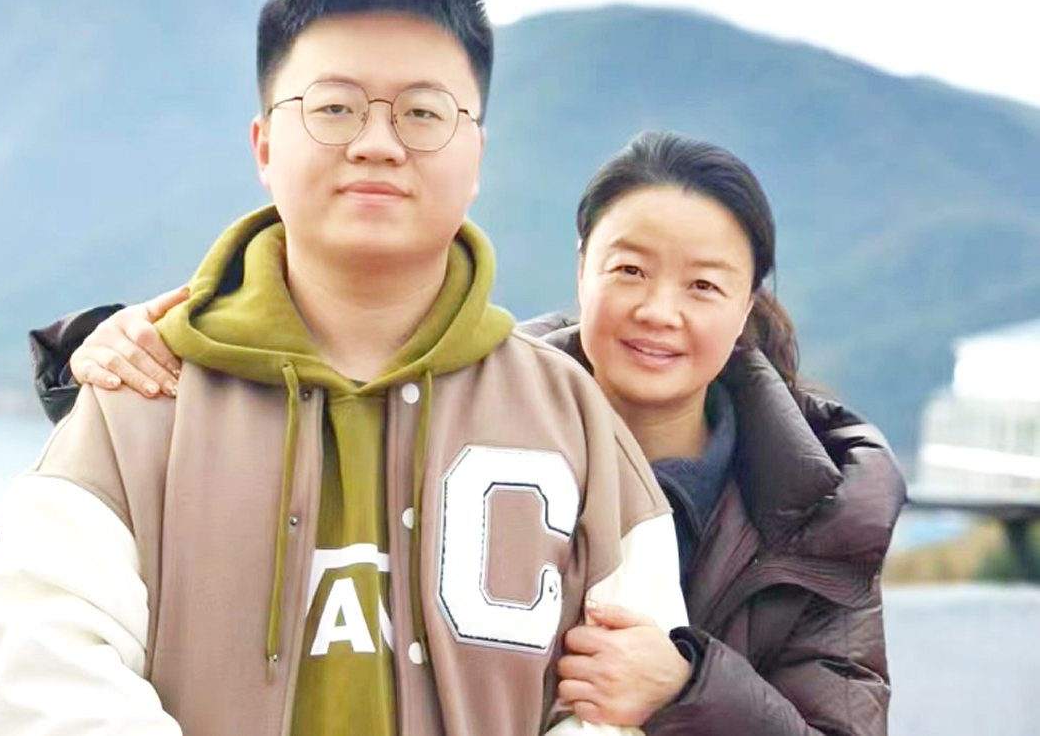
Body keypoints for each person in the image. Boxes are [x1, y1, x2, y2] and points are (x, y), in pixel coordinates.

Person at [0, 0, 689, 736]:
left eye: (422, 113)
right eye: (335, 107)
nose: (376, 144)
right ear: (264, 145)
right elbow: (43, 672)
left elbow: (627, 698)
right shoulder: (141, 399)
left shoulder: (571, 417)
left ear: (476, 155)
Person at [47, 132, 905, 734]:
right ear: (581, 268)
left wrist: (687, 685)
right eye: (628, 269)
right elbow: (307, 410)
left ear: (748, 304)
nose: (658, 310)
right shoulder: (453, 402)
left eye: (703, 286)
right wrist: (116, 344)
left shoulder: (817, 510)